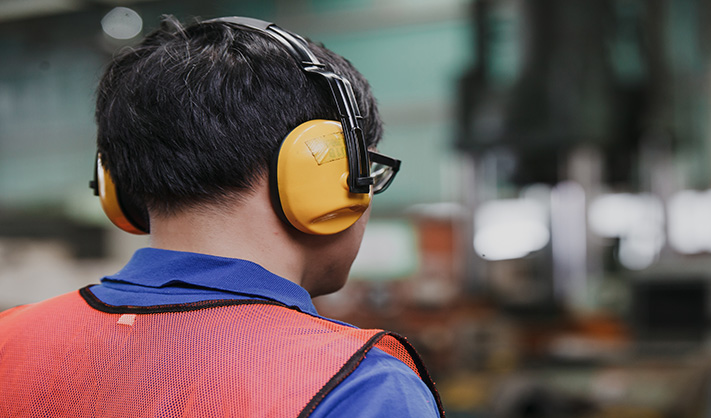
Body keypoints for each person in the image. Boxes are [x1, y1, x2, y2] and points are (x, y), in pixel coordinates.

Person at [0, 15, 444, 418]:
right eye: (364, 171)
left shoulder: (9, 341)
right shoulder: (356, 385)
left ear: (118, 185)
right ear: (326, 173)